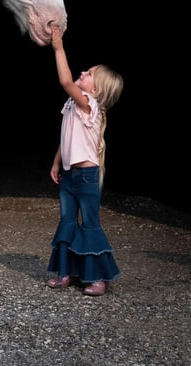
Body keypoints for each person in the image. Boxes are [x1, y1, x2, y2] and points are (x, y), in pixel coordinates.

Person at [45, 26, 124, 296]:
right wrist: (57, 162)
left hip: (87, 177)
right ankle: (66, 272)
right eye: (86, 70)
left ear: (97, 89)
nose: (83, 73)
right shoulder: (71, 104)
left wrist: (58, 48)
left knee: (89, 224)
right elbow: (65, 136)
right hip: (69, 176)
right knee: (67, 222)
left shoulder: (90, 104)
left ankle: (98, 277)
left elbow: (66, 81)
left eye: (89, 74)